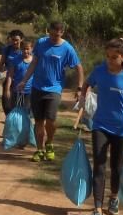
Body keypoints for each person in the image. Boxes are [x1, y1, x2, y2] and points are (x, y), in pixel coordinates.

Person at [79, 36, 123, 215]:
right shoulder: (99, 71)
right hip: (100, 125)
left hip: (122, 129)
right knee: (99, 166)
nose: (109, 60)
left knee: (117, 169)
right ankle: (97, 210)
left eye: (114, 57)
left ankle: (114, 197)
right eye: (107, 56)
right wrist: (83, 98)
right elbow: (87, 83)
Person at [15, 20, 84, 162]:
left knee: (51, 121)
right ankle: (39, 150)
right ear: (49, 31)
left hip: (54, 89)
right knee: (39, 122)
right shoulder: (41, 43)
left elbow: (78, 67)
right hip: (37, 87)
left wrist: (79, 87)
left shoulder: (67, 49)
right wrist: (24, 80)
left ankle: (50, 143)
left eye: (56, 35)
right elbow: (34, 62)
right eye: (51, 34)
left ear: (62, 33)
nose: (53, 38)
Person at [0, 29, 25, 113]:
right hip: (9, 80)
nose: (14, 42)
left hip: (22, 81)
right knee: (6, 101)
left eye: (17, 40)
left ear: (21, 39)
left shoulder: (25, 50)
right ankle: (9, 118)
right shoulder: (7, 49)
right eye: (13, 40)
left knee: (19, 104)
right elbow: (1, 64)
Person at [4, 39, 35, 115]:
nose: (25, 51)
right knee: (15, 113)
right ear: (21, 49)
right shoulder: (15, 60)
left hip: (29, 92)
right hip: (16, 91)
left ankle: (25, 126)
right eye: (24, 49)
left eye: (27, 49)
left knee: (26, 114)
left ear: (32, 49)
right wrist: (7, 89)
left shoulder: (35, 61)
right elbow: (10, 76)